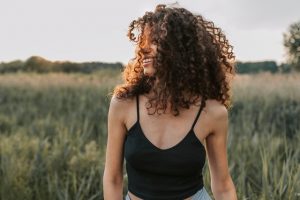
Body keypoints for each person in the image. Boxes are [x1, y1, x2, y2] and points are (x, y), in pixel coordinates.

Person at [103, 3, 238, 200]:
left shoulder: (212, 113)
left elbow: (223, 185)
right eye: (144, 41)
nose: (145, 49)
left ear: (180, 50)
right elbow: (113, 178)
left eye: (155, 41)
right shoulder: (124, 103)